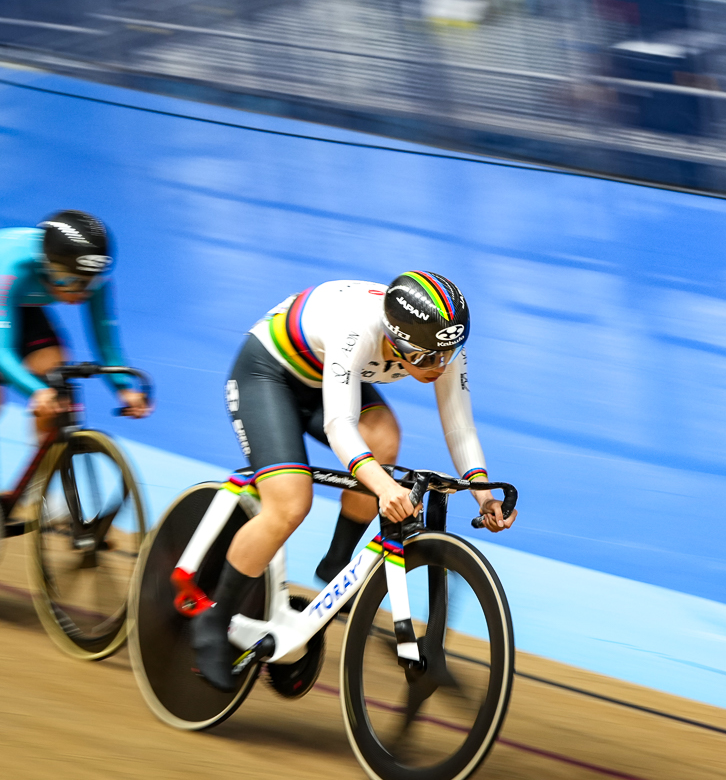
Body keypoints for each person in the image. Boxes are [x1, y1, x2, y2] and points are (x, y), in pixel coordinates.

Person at [188, 271, 512, 690]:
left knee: (384, 438)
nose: (439, 366)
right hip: (267, 376)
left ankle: (335, 563)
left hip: (325, 377)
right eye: (426, 357)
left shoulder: (438, 340)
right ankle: (214, 619)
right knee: (289, 503)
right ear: (395, 338)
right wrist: (384, 488)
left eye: (446, 355)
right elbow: (340, 425)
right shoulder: (358, 327)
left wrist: (483, 495)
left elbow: (460, 428)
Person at [0, 211, 149, 549]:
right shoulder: (15, 267)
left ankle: (39, 491)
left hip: (20, 301)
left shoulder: (89, 278)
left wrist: (125, 389)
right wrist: (36, 391)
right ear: (49, 265)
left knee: (58, 382)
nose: (81, 292)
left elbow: (107, 347)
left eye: (89, 281)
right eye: (71, 281)